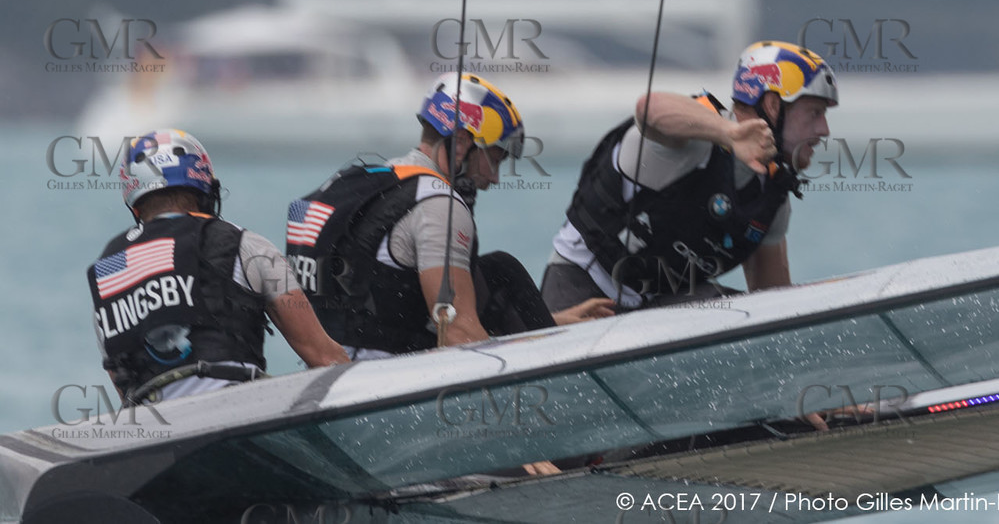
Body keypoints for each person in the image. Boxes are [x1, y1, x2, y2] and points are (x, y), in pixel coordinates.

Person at [287, 73, 611, 361]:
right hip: (386, 384)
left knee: (490, 276)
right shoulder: (439, 203)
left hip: (329, 372)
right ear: (461, 144)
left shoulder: (367, 180)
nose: (495, 178)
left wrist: (552, 321)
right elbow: (459, 334)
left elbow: (373, 294)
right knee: (502, 271)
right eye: (495, 158)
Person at [543, 41, 837, 311]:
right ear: (773, 106)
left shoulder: (772, 202)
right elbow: (648, 108)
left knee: (746, 311)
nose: (824, 130)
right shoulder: (693, 138)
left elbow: (776, 305)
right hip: (581, 284)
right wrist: (731, 135)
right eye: (814, 112)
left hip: (655, 307)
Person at [88, 129, 347, 405]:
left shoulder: (106, 273)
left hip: (155, 430)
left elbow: (122, 383)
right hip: (237, 411)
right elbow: (323, 357)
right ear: (204, 189)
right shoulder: (246, 244)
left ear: (135, 203)